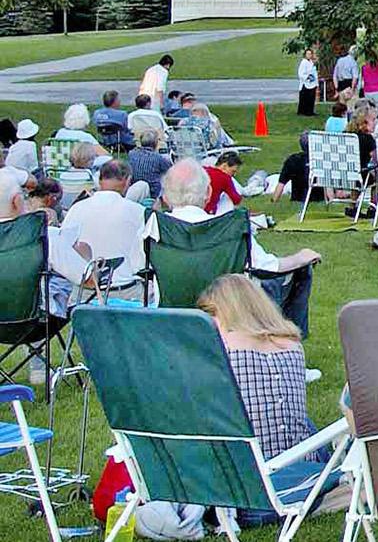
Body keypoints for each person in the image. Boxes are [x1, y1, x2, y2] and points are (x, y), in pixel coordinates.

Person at [196, 274, 337, 526]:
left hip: (251, 494)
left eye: (211, 315)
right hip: (304, 470)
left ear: (226, 312)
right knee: (298, 418)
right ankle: (335, 486)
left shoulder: (221, 350)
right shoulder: (292, 344)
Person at [154, 162, 321, 340]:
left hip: (168, 317)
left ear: (165, 196)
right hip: (230, 317)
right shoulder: (230, 226)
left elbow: (138, 272)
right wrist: (302, 257)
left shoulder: (153, 227)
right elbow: (268, 267)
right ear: (209, 192)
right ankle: (289, 349)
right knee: (301, 269)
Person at [57, 160, 147, 296]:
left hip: (84, 291)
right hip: (126, 291)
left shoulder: (77, 209)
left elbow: (62, 248)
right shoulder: (138, 211)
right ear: (127, 181)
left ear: (99, 180)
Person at [295, 47, 319, 116]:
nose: (309, 55)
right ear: (305, 55)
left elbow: (314, 73)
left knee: (311, 98)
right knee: (305, 98)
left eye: (310, 54)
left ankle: (310, 111)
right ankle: (303, 111)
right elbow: (300, 74)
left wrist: (316, 83)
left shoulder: (311, 63)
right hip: (305, 83)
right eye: (307, 54)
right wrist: (307, 77)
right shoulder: (303, 62)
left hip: (312, 83)